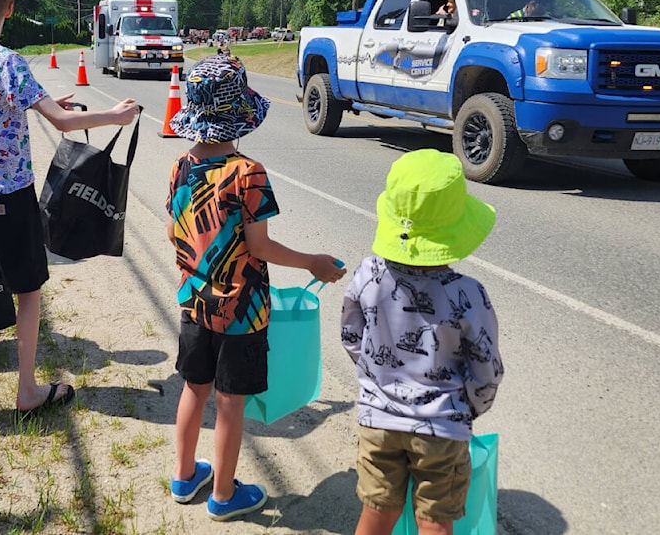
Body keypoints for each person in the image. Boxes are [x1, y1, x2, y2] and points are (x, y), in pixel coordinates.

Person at [0, 0, 141, 422]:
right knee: (28, 292)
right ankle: (27, 390)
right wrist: (114, 115)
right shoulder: (9, 61)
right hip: (8, 195)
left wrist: (42, 102)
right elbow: (63, 125)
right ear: (10, 8)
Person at [165, 54, 347, 521]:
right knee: (230, 403)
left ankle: (185, 476)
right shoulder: (247, 173)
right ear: (240, 114)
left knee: (193, 389)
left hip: (194, 303)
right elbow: (259, 247)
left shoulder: (179, 167)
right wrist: (313, 263)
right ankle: (223, 495)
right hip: (241, 312)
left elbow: (173, 233)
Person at [341, 148, 504, 535]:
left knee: (377, 512)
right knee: (435, 520)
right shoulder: (468, 294)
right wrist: (468, 408)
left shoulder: (368, 275)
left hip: (378, 419)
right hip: (442, 427)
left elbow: (351, 335)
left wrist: (376, 380)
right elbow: (487, 367)